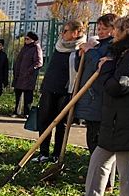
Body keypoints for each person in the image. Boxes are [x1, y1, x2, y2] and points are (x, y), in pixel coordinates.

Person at [65, 15, 129, 196]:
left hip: (128, 122)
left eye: (117, 30)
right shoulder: (126, 53)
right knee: (99, 159)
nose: (114, 34)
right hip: (115, 120)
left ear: (126, 31)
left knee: (128, 168)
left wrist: (107, 67)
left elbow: (119, 86)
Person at [74, 13, 118, 191]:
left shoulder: (113, 48)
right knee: (92, 139)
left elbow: (100, 69)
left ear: (114, 30)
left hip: (99, 100)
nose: (100, 32)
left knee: (99, 143)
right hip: (90, 100)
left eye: (104, 29)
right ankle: (97, 176)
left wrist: (90, 51)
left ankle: (104, 180)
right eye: (98, 28)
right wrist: (81, 54)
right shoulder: (99, 45)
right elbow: (81, 68)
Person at [31, 20, 87, 163]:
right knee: (44, 121)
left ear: (75, 33)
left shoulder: (82, 49)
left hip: (66, 91)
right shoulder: (59, 46)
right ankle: (43, 153)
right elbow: (51, 67)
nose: (62, 34)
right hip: (50, 88)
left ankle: (57, 154)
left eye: (65, 31)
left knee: (61, 124)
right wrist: (44, 86)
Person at [12, 31, 43, 117]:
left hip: (28, 76)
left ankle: (27, 113)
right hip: (20, 75)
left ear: (32, 40)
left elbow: (39, 62)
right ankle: (16, 111)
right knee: (18, 93)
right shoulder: (25, 48)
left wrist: (29, 71)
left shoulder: (36, 48)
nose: (26, 40)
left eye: (27, 39)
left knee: (28, 95)